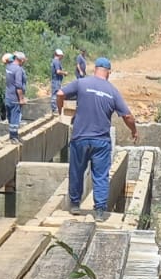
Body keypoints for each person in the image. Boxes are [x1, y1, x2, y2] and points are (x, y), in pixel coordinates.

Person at [55, 56, 137, 223]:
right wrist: (134, 131)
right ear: (109, 73)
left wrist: (60, 109)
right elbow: (127, 116)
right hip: (101, 141)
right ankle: (99, 211)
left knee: (77, 172)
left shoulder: (82, 83)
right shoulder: (112, 91)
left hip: (80, 138)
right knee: (100, 176)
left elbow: (60, 93)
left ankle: (75, 205)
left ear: (95, 70)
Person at [3, 51, 26, 143]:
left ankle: (12, 136)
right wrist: (21, 99)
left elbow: (5, 59)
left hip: (8, 97)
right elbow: (18, 86)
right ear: (20, 60)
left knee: (10, 117)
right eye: (23, 60)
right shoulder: (18, 69)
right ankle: (14, 137)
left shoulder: (8, 67)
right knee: (15, 117)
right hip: (15, 98)